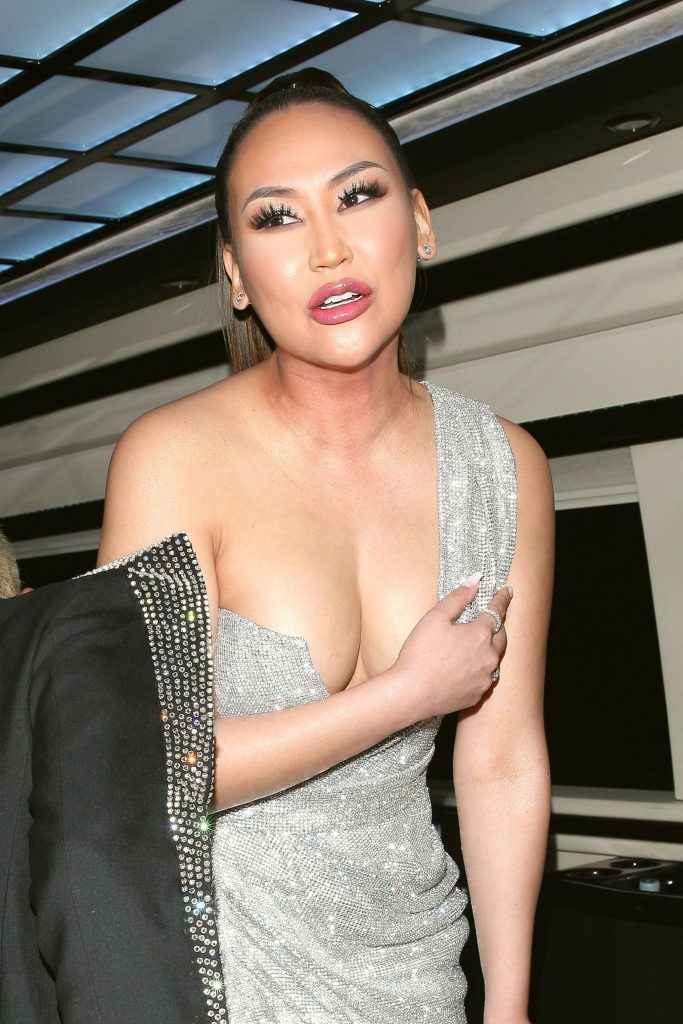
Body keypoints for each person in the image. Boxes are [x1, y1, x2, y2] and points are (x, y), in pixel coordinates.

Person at [95, 68, 554, 1023]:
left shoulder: (504, 464)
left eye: (357, 196)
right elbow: (143, 764)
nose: (327, 248)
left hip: (416, 967)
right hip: (216, 970)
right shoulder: (172, 456)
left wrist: (508, 1006)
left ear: (418, 223)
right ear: (235, 275)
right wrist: (405, 694)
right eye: (276, 218)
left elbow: (502, 761)